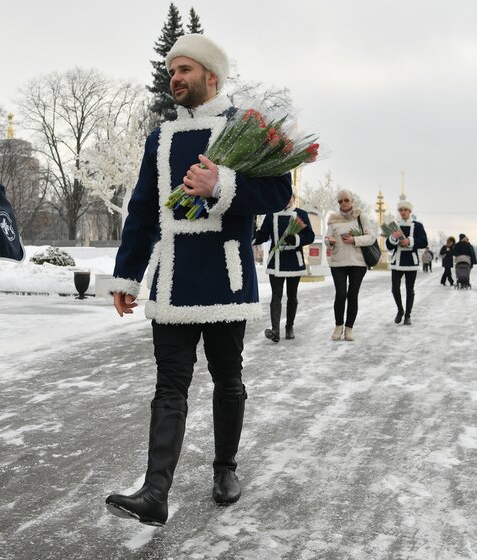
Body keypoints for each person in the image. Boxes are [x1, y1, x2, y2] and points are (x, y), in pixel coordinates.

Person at [104, 34, 292, 527]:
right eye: (171, 72)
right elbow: (143, 211)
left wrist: (222, 186)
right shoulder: (160, 138)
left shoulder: (245, 127)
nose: (176, 79)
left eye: (185, 70)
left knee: (228, 379)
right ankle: (155, 492)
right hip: (172, 281)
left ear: (211, 76)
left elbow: (279, 191)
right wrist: (127, 274)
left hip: (226, 276)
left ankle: (225, 468)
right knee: (170, 386)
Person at [253, 193, 315, 342]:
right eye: (284, 196)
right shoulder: (271, 214)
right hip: (276, 262)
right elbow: (263, 235)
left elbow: (310, 235)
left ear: (293, 198)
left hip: (294, 261)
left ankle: (289, 327)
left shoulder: (301, 214)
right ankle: (275, 330)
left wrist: (296, 239)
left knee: (292, 296)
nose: (286, 199)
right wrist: (251, 234)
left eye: (289, 196)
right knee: (276, 296)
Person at [324, 189, 376, 341]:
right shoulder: (333, 219)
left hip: (357, 263)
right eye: (340, 201)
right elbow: (328, 238)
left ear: (352, 201)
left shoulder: (361, 216)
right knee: (340, 294)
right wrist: (330, 241)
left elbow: (371, 238)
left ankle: (349, 328)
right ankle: (338, 326)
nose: (343, 203)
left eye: (346, 200)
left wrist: (355, 240)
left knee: (352, 295)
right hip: (338, 262)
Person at [384, 200, 428, 325]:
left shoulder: (417, 225)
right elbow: (388, 245)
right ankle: (400, 310)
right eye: (400, 210)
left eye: (405, 210)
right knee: (394, 289)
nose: (403, 212)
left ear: (410, 211)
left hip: (411, 262)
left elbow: (424, 242)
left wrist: (409, 241)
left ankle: (408, 315)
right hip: (397, 261)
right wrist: (393, 238)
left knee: (410, 290)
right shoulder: (394, 225)